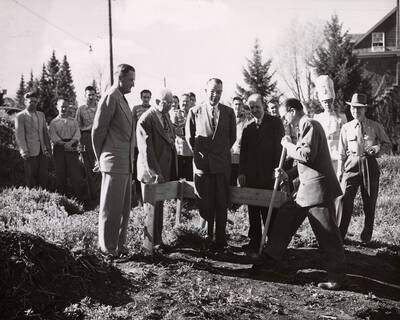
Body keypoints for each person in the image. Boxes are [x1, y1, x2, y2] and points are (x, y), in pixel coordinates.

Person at [253, 98, 346, 291]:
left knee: (328, 234)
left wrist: (288, 146)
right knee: (285, 220)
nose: (284, 120)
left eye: (284, 115)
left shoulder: (310, 124)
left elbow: (307, 155)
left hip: (318, 191)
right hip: (306, 189)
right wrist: (288, 174)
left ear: (292, 111)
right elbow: (306, 162)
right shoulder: (304, 126)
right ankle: (269, 261)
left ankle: (337, 277)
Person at [92, 63, 136, 259]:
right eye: (131, 80)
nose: (133, 84)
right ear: (120, 78)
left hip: (125, 162)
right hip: (113, 161)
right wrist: (100, 157)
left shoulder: (122, 98)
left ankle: (119, 245)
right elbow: (98, 130)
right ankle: (107, 248)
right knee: (110, 208)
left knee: (123, 208)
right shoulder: (111, 96)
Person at [186, 78, 236, 250]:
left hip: (221, 165)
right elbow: (190, 138)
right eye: (213, 91)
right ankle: (206, 239)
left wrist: (219, 153)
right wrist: (203, 155)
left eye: (219, 92)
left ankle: (221, 241)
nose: (216, 95)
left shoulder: (228, 112)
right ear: (205, 90)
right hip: (203, 166)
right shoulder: (194, 111)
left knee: (221, 203)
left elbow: (232, 137)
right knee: (205, 203)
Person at [337, 93, 391, 243]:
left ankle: (366, 237)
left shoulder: (375, 126)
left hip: (369, 163)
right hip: (351, 163)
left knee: (369, 200)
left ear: (365, 109)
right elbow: (341, 151)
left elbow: (388, 144)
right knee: (344, 199)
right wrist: (340, 171)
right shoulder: (346, 127)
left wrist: (377, 147)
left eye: (359, 108)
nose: (356, 111)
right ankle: (340, 235)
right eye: (353, 108)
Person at [238, 94, 284, 251]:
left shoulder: (275, 123)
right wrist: (242, 173)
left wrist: (277, 169)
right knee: (253, 209)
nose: (254, 110)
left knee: (270, 211)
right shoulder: (248, 127)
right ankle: (255, 241)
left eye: (257, 106)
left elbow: (280, 150)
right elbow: (243, 153)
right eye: (251, 108)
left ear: (263, 105)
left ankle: (272, 243)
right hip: (251, 176)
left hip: (269, 175)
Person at [136, 89, 178, 249]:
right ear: (158, 102)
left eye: (171, 104)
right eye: (168, 104)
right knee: (151, 209)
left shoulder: (165, 114)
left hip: (163, 169)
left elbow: (170, 135)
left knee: (159, 207)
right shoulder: (146, 119)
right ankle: (149, 246)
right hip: (151, 172)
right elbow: (146, 149)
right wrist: (155, 173)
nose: (170, 107)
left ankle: (158, 241)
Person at [15, 90, 51, 188]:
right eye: (31, 102)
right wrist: (24, 151)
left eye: (35, 102)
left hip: (42, 151)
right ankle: (31, 199)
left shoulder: (41, 115)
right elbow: (19, 135)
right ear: (25, 102)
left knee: (43, 176)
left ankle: (44, 197)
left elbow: (45, 133)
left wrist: (48, 148)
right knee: (30, 177)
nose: (33, 104)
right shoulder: (20, 116)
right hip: (29, 152)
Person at [49, 99, 85, 199]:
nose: (64, 109)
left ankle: (79, 198)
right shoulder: (53, 122)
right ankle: (63, 199)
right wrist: (64, 144)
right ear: (57, 107)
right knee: (60, 173)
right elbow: (53, 136)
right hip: (59, 149)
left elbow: (77, 134)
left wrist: (71, 142)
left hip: (72, 148)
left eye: (65, 106)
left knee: (75, 174)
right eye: (61, 106)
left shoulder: (73, 121)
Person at [314, 75, 347, 172]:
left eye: (329, 101)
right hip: (324, 156)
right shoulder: (317, 118)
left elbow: (345, 138)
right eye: (325, 102)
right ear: (321, 102)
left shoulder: (341, 117)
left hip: (338, 156)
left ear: (332, 101)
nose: (327, 104)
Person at [75, 85, 101, 201]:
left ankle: (102, 196)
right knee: (89, 167)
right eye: (89, 95)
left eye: (93, 94)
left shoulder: (101, 107)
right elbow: (77, 127)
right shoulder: (81, 109)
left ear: (96, 95)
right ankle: (93, 198)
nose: (91, 97)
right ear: (85, 96)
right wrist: (80, 144)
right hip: (86, 137)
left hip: (100, 137)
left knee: (101, 164)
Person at [132, 89, 153, 205]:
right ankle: (139, 197)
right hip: (137, 144)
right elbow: (132, 125)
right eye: (144, 97)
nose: (146, 99)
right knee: (137, 171)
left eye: (148, 97)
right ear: (141, 98)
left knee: (149, 169)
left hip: (149, 144)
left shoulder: (153, 109)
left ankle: (149, 197)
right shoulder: (136, 108)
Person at [170, 93, 193, 181]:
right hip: (179, 150)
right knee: (179, 176)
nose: (185, 103)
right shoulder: (176, 113)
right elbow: (176, 130)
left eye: (187, 101)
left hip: (190, 151)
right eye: (183, 101)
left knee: (189, 176)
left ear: (190, 102)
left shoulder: (193, 113)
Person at [231, 96, 250, 186]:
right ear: (232, 105)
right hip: (229, 157)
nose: (237, 107)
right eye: (236, 104)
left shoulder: (246, 121)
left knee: (240, 184)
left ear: (242, 106)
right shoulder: (227, 119)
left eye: (240, 104)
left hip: (240, 158)